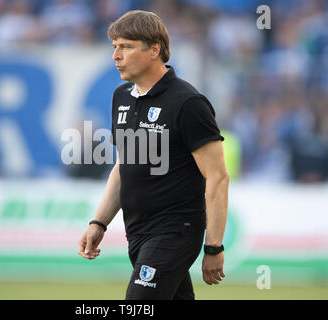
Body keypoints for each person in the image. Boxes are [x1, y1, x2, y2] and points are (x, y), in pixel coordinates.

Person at [78, 10, 229, 300]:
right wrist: (99, 223)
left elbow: (218, 177)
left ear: (154, 49)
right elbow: (125, 166)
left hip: (176, 231)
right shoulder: (121, 97)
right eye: (114, 47)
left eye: (126, 46)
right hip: (137, 233)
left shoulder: (188, 103)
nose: (116, 56)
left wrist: (214, 245)